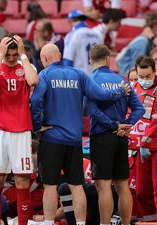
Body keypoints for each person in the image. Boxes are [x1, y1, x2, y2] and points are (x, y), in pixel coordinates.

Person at [30, 43, 130, 225]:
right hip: (74, 140)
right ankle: (81, 223)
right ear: (59, 56)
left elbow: (35, 101)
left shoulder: (44, 75)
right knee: (76, 185)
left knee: (50, 186)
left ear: (44, 59)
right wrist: (120, 91)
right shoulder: (79, 74)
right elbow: (101, 95)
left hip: (52, 138)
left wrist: (37, 125)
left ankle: (47, 223)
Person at [0, 34, 38, 225]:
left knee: (23, 182)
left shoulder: (26, 66)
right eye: (9, 55)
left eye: (15, 54)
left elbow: (33, 81)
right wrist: (0, 55)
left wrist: (23, 55)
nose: (12, 58)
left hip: (21, 129)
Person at [87, 44, 145, 225]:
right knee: (122, 185)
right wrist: (126, 125)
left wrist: (113, 125)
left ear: (90, 60)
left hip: (102, 136)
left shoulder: (91, 81)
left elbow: (92, 111)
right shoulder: (122, 80)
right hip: (121, 138)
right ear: (107, 59)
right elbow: (139, 108)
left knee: (103, 186)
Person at [128, 56, 157, 221]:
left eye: (148, 76)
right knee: (141, 190)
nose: (144, 80)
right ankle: (150, 220)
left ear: (154, 72)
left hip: (154, 146)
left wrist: (147, 139)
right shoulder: (133, 88)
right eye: (141, 76)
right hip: (138, 148)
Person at [117, 11, 157, 76]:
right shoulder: (143, 42)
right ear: (152, 25)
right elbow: (136, 68)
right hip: (128, 77)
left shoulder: (150, 39)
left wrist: (153, 38)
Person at [63, 10, 102, 75]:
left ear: (70, 21)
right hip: (95, 78)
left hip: (79, 78)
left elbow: (67, 61)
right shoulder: (96, 35)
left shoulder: (72, 35)